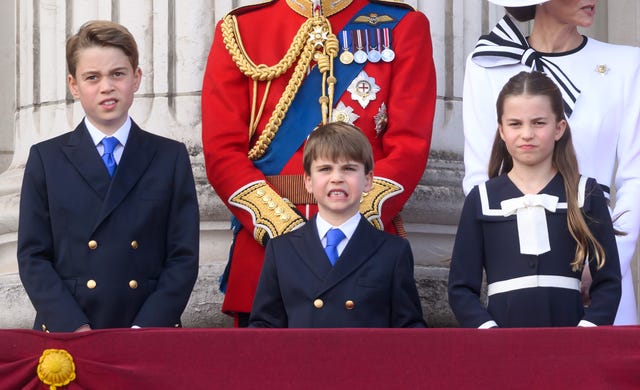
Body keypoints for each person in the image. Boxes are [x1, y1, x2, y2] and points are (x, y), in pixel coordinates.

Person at [201, 0, 436, 326]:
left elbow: (409, 147)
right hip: (268, 248)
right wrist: (289, 235)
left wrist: (351, 224)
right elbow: (222, 152)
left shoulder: (401, 26)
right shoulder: (240, 31)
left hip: (363, 251)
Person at [462, 0, 640, 325]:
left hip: (600, 250)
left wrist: (605, 259)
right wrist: (507, 260)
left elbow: (636, 176)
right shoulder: (488, 62)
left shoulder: (627, 64)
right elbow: (479, 175)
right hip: (519, 271)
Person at [17, 20, 200, 332]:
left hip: (146, 331)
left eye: (118, 74)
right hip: (70, 333)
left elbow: (182, 256)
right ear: (74, 85)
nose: (107, 86)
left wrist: (146, 328)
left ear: (136, 78)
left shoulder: (169, 157)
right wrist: (72, 326)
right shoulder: (46, 159)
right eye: (92, 77)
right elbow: (33, 256)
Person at [449, 71, 621, 328]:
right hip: (501, 347)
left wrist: (587, 333)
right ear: (502, 130)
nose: (527, 133)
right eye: (515, 124)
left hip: (571, 343)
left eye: (539, 123)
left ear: (559, 128)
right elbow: (461, 289)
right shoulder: (481, 198)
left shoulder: (586, 193)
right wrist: (489, 332)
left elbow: (608, 282)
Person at [249, 122, 426, 328]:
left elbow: (410, 332)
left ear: (368, 180)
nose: (337, 179)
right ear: (308, 181)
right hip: (301, 360)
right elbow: (264, 329)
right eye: (325, 169)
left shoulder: (393, 251)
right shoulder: (281, 250)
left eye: (349, 169)